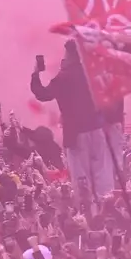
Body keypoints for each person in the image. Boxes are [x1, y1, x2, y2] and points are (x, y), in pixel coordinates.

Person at [31, 40, 112, 207]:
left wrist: (35, 73)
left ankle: (87, 211)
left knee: (81, 177)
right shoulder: (91, 74)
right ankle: (104, 207)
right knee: (100, 173)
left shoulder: (64, 77)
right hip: (97, 130)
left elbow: (43, 94)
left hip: (76, 133)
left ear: (68, 55)